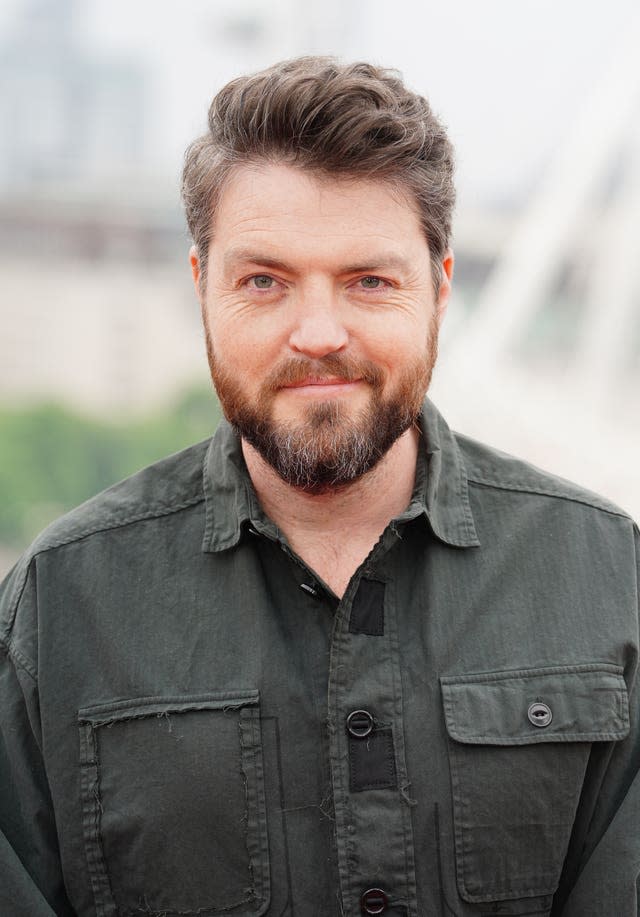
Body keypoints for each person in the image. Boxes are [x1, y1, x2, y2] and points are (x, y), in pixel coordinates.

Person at [0, 56, 638, 917]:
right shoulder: (59, 607)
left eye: (369, 281)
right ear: (202, 290)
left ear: (440, 292)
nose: (319, 332)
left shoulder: (609, 581)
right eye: (264, 281)